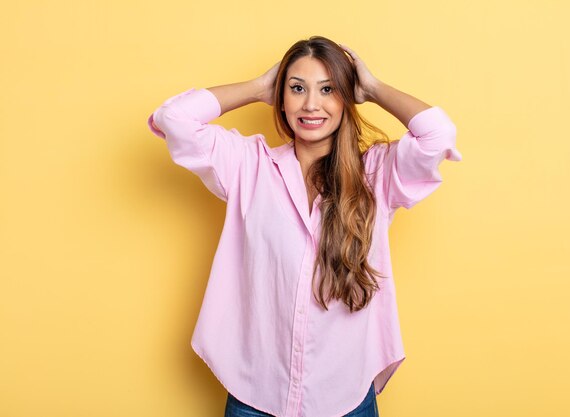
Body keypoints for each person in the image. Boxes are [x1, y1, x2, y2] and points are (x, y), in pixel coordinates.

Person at [147, 35, 462, 417]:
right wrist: (258, 87)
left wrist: (373, 89)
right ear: (281, 99)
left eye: (328, 89)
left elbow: (437, 135)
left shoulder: (377, 174)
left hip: (345, 397)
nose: (311, 104)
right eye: (297, 88)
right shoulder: (249, 165)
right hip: (255, 395)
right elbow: (173, 119)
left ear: (346, 98)